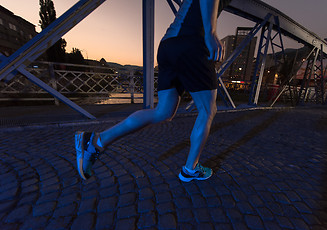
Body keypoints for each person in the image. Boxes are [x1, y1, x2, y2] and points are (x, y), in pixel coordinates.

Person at [75, 0, 232, 182]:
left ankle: (96, 141)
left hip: (168, 46)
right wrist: (210, 32)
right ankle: (191, 168)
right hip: (192, 42)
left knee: (163, 112)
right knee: (208, 110)